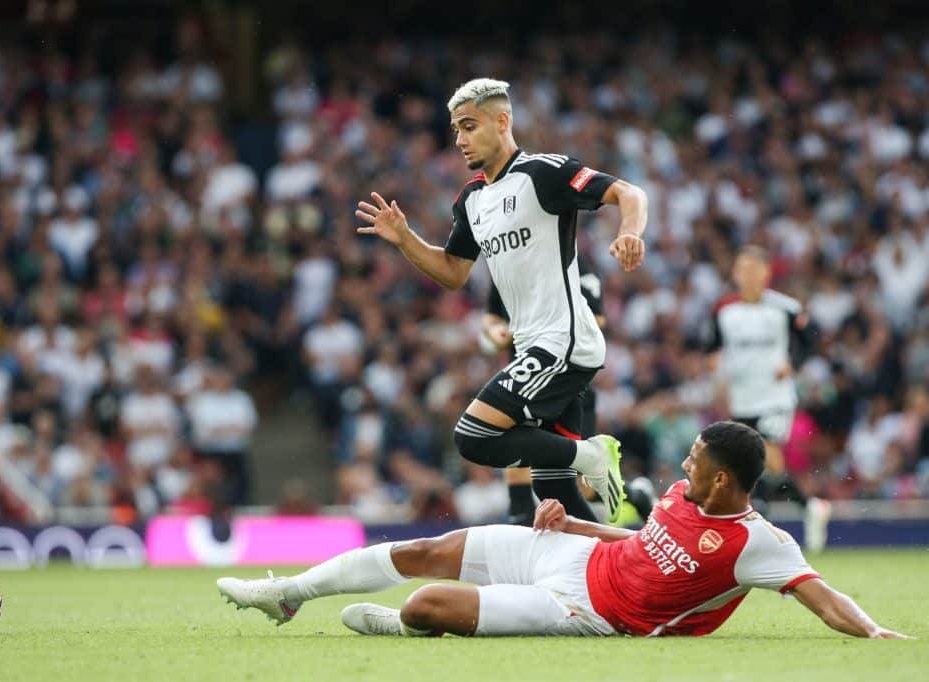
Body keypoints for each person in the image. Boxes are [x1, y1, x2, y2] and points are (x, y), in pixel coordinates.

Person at [216, 422, 908, 640]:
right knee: (427, 550)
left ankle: (402, 627)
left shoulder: (759, 543)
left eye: (696, 459)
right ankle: (288, 593)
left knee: (425, 606)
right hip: (571, 552)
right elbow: (641, 545)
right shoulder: (679, 495)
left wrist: (873, 632)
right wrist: (574, 521)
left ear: (724, 479)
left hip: (583, 610)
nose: (683, 464)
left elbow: (823, 597)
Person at [355, 78, 648, 522]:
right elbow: (453, 271)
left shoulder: (542, 173)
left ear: (502, 121)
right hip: (533, 347)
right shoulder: (472, 199)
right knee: (553, 491)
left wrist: (630, 233)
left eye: (469, 126)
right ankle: (631, 554)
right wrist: (405, 239)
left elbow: (629, 192)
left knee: (473, 436)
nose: (460, 140)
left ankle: (592, 455)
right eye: (456, 130)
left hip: (563, 342)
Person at [482, 274, 655, 525]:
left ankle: (634, 496)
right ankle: (521, 515)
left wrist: (534, 324)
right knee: (517, 451)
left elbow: (597, 319)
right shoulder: (505, 261)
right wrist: (495, 331)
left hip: (566, 385)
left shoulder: (571, 265)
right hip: (522, 381)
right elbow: (491, 317)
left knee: (576, 484)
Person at [707, 246, 831, 551]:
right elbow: (714, 347)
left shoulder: (785, 308)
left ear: (766, 273)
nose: (748, 275)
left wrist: (793, 363)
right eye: (742, 269)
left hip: (775, 397)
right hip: (741, 399)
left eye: (754, 268)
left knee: (767, 455)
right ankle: (809, 506)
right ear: (735, 273)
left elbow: (811, 339)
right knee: (754, 465)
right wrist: (716, 370)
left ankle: (758, 531)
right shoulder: (724, 311)